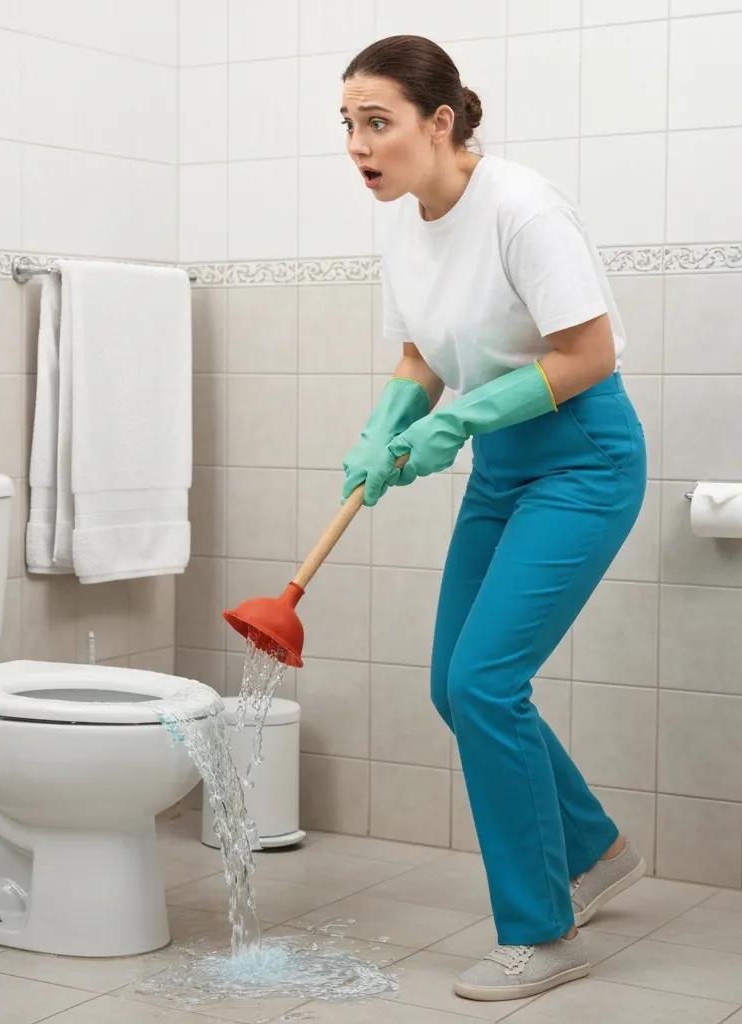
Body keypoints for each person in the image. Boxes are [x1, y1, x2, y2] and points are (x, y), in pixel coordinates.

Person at [340, 36, 648, 1002]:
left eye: (377, 121)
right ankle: (594, 850)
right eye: (348, 124)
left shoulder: (522, 206)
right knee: (454, 684)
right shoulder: (404, 223)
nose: (358, 144)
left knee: (485, 682)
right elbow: (423, 356)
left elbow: (588, 355)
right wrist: (389, 423)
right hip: (505, 468)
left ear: (441, 122)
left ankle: (542, 931)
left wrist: (461, 420)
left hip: (584, 460)